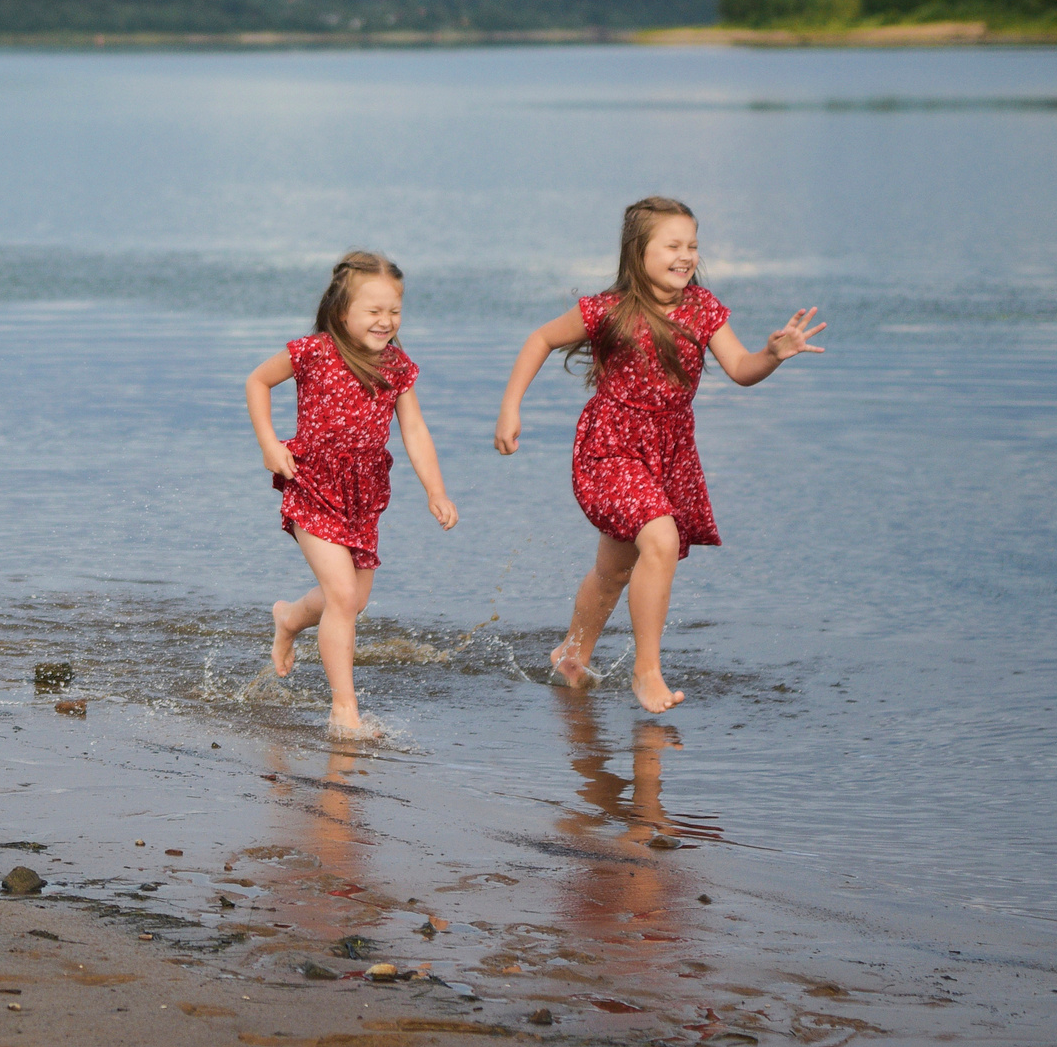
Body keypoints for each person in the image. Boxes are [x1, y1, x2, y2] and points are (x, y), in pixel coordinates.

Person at [494, 196, 825, 712]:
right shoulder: (607, 310)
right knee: (661, 538)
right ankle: (647, 672)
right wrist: (510, 409)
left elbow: (740, 367)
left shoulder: (702, 308)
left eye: (692, 245)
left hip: (668, 454)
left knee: (614, 569)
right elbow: (540, 339)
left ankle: (571, 654)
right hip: (610, 448)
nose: (686, 255)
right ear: (638, 252)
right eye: (672, 245)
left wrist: (772, 356)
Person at [247, 251, 459, 739]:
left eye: (395, 312)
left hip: (363, 494)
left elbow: (415, 430)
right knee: (342, 595)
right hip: (312, 484)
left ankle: (288, 618)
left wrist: (436, 489)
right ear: (342, 309)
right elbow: (257, 381)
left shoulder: (397, 366)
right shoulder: (314, 351)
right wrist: (269, 445)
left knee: (353, 599)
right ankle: (345, 707)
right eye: (374, 311)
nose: (386, 322)